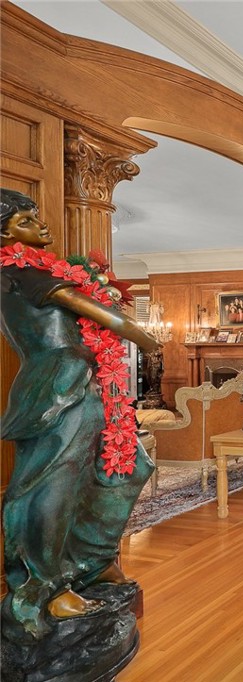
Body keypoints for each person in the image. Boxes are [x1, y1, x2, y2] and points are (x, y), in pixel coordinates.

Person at [0, 189, 159, 638]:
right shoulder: (17, 269)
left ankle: (93, 561)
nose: (41, 225)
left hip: (85, 378)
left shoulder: (35, 267)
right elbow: (105, 316)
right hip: (57, 383)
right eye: (27, 221)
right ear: (5, 233)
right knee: (54, 485)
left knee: (130, 467)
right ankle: (45, 587)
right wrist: (142, 337)